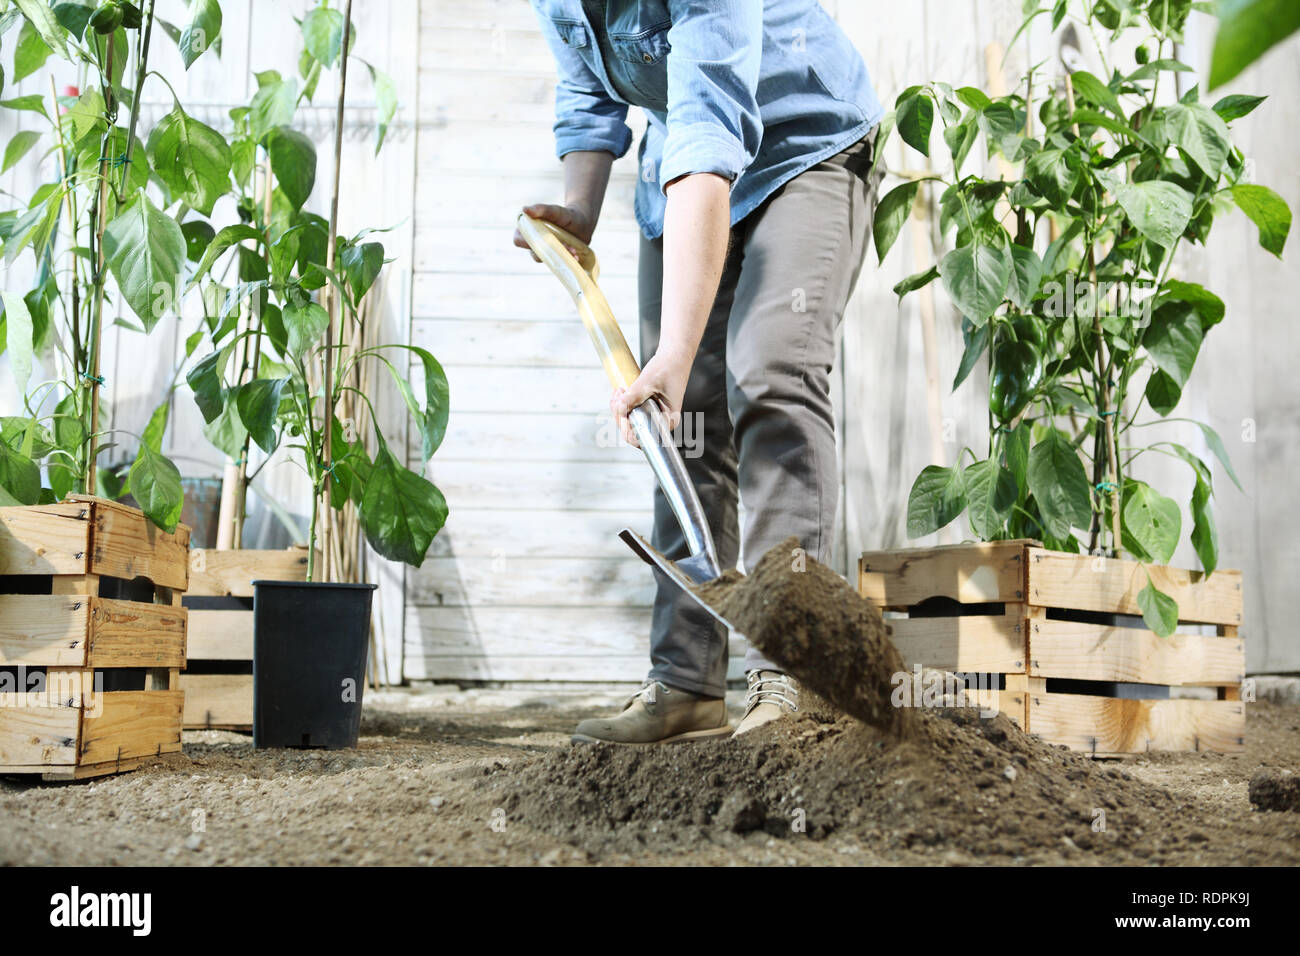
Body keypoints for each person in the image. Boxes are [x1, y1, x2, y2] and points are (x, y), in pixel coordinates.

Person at [514, 0, 885, 744]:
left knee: (772, 371)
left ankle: (794, 675)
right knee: (681, 425)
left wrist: (675, 355)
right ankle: (686, 683)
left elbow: (710, 138)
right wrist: (578, 210)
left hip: (802, 147)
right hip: (685, 158)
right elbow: (588, 84)